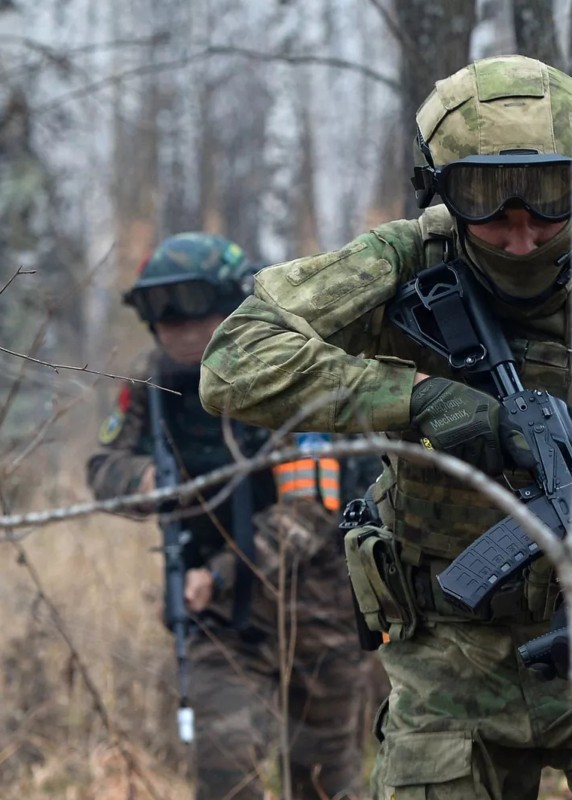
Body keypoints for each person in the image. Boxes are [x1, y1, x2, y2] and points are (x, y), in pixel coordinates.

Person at [198, 55, 572, 798]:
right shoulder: (399, 264)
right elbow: (232, 362)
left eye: (546, 199)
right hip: (448, 656)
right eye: (487, 200)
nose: (520, 233)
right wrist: (415, 399)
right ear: (443, 191)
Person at [87, 233, 368, 800]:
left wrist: (217, 572)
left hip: (318, 615)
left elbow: (309, 514)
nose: (177, 326)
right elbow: (103, 466)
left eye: (192, 304)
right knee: (224, 775)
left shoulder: (292, 370)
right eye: (158, 308)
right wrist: (143, 483)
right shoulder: (152, 385)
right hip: (216, 619)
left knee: (322, 782)